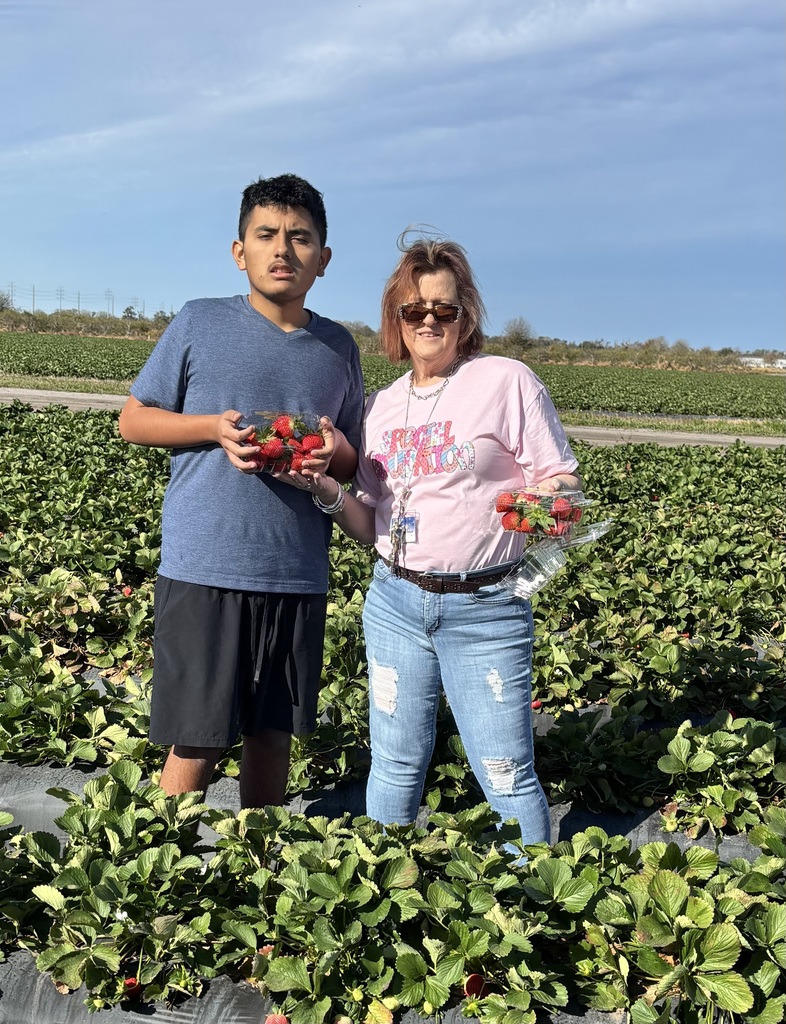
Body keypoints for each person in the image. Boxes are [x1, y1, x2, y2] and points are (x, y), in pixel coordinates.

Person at [307, 236, 580, 845]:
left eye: (445, 309)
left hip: (486, 611)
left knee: (505, 774)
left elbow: (559, 477)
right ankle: (386, 894)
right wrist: (326, 487)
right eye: (414, 309)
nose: (429, 319)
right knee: (396, 766)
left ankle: (533, 910)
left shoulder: (506, 382)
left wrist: (549, 503)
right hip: (394, 605)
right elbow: (371, 520)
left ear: (466, 316)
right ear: (396, 320)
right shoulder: (379, 408)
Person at [118, 174, 365, 809]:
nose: (283, 249)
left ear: (323, 259)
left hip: (295, 572)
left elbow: (353, 460)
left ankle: (253, 882)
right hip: (206, 565)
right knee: (197, 740)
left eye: (300, 238)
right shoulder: (200, 322)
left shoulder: (337, 347)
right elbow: (134, 419)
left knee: (271, 735)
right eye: (267, 235)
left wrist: (328, 450)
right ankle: (160, 873)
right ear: (240, 251)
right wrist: (212, 428)